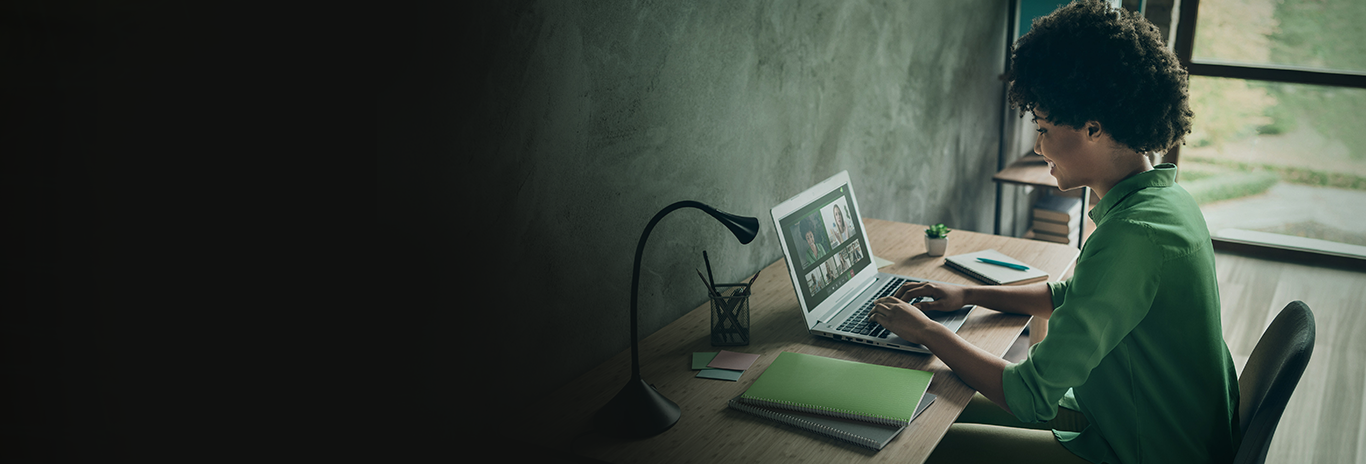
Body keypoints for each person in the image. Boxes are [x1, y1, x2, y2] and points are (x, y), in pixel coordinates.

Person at [865, 1, 1239, 463]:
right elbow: (1075, 295)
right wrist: (967, 295)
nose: (1038, 145)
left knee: (921, 443)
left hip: (1142, 449)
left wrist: (926, 332)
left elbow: (1028, 397)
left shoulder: (1134, 236)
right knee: (939, 400)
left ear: (1094, 127)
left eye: (1043, 127)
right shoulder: (1165, 200)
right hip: (1139, 421)